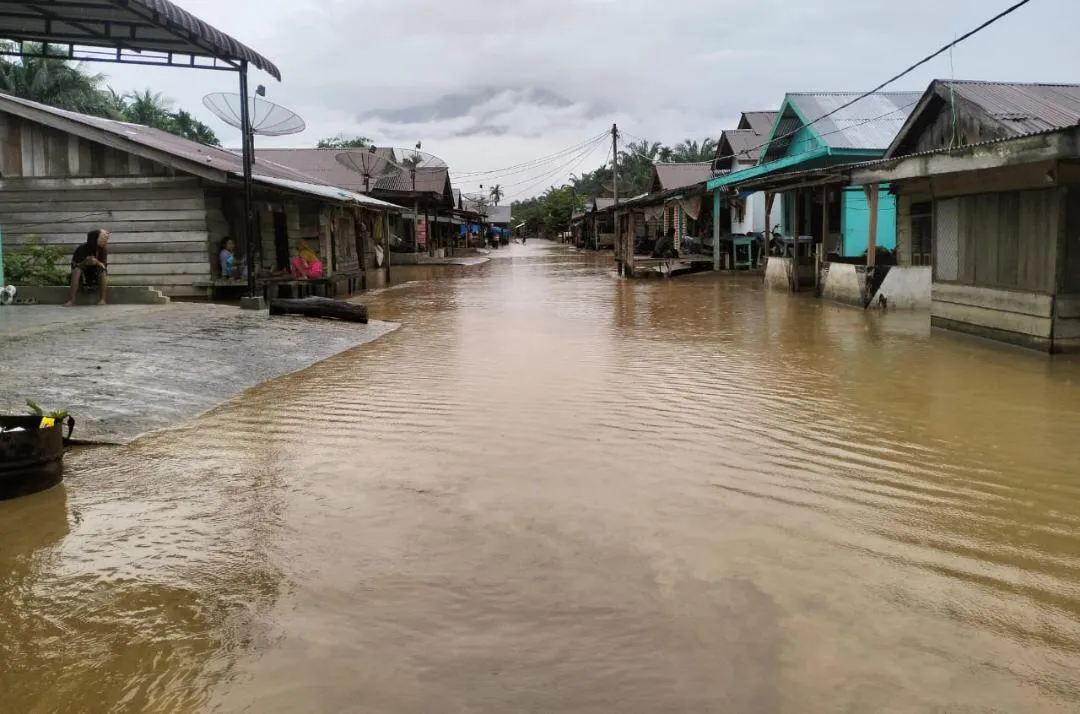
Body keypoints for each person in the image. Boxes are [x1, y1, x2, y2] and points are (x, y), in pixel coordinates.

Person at [64, 228, 109, 306]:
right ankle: (71, 300)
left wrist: (97, 262)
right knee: (77, 271)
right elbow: (74, 266)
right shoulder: (81, 248)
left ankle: (103, 299)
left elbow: (104, 266)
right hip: (81, 277)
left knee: (103, 271)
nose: (106, 241)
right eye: (103, 239)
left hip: (95, 276)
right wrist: (85, 262)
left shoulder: (102, 250)